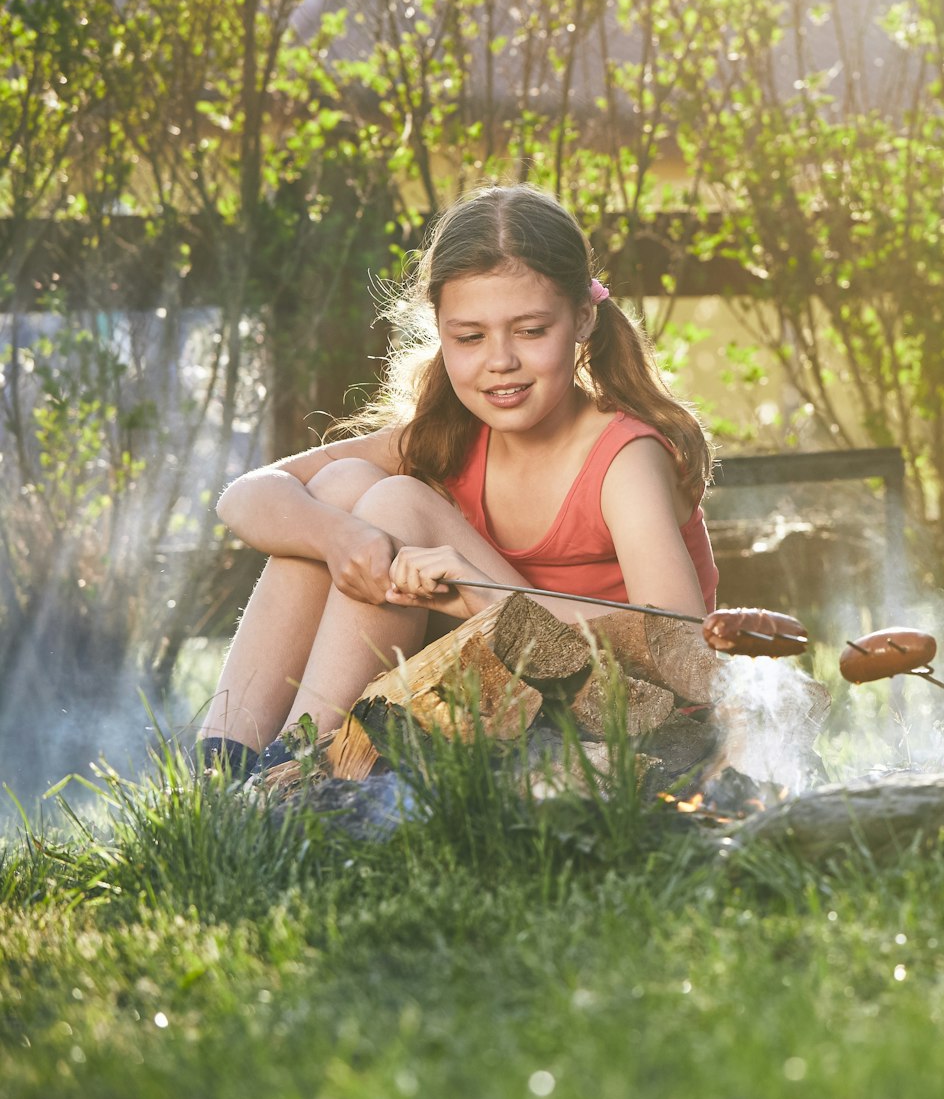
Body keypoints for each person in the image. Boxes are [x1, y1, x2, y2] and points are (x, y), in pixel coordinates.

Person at [196, 185, 718, 775]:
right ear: (441, 334)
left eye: (530, 331)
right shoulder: (453, 436)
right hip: (509, 689)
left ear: (583, 318)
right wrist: (338, 540)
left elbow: (680, 647)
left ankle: (293, 771)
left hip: (626, 710)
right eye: (469, 337)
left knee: (395, 503)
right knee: (339, 491)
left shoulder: (625, 458)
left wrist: (475, 587)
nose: (500, 360)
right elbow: (245, 498)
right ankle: (222, 771)